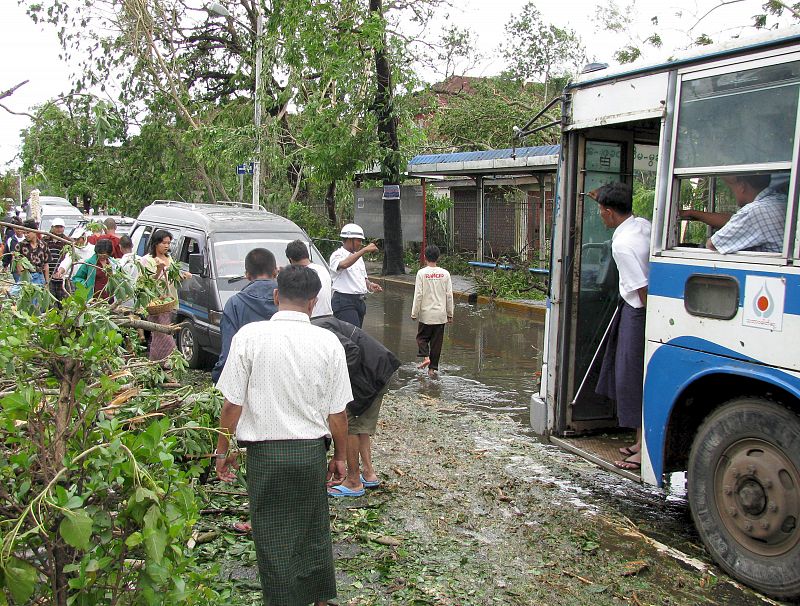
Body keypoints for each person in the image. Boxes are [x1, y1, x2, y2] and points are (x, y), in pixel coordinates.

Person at [214, 265, 351, 606]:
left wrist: (223, 450)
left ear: (276, 296)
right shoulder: (328, 341)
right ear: (313, 302)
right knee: (312, 529)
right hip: (309, 454)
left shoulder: (249, 337)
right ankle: (319, 598)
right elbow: (338, 414)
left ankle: (281, 599)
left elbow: (233, 404)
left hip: (265, 457)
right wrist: (340, 457)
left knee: (271, 534)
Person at [591, 182, 651, 472]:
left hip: (638, 313)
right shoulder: (642, 225)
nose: (600, 217)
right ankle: (640, 442)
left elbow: (641, 289)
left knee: (631, 378)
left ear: (609, 212)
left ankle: (644, 452)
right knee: (633, 377)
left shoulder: (621, 244)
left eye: (601, 211)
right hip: (636, 311)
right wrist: (600, 196)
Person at [313, 313, 400, 498]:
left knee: (349, 424)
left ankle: (353, 481)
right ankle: (368, 474)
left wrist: (336, 384)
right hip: (380, 367)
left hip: (371, 372)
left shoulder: (317, 330)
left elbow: (352, 351)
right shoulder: (318, 323)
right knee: (361, 427)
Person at [211, 248, 278, 384]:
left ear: (247, 275)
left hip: (249, 382)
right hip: (284, 382)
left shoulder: (235, 304)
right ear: (275, 271)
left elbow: (228, 354)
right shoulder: (291, 300)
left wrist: (218, 379)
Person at [679, 174, 787, 254]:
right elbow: (735, 221)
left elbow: (713, 244)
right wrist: (692, 213)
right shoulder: (780, 200)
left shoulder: (754, 211)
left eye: (730, 188)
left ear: (742, 186)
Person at [141, 229, 189, 361]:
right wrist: (158, 269)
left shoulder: (169, 259)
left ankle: (157, 361)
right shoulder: (147, 260)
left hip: (170, 301)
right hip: (156, 303)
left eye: (168, 243)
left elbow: (173, 278)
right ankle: (169, 360)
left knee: (162, 333)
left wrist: (183, 276)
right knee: (162, 333)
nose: (167, 246)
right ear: (156, 243)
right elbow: (147, 283)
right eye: (164, 243)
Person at [411, 244, 454, 378]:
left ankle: (425, 357)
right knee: (437, 343)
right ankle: (432, 370)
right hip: (440, 315)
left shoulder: (421, 273)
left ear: (425, 257)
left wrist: (414, 313)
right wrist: (450, 313)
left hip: (426, 314)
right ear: (438, 257)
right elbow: (449, 295)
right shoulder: (445, 274)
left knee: (421, 338)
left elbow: (418, 295)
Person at [328, 223, 382, 328]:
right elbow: (344, 264)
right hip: (344, 301)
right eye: (358, 240)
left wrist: (370, 285)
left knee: (357, 335)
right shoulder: (337, 255)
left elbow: (363, 278)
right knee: (352, 335)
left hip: (359, 301)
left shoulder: (358, 258)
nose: (360, 243)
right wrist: (364, 250)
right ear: (349, 239)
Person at [286, 239, 332, 318]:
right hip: (329, 316)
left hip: (311, 319)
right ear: (307, 255)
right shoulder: (323, 269)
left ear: (291, 260)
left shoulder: (300, 274)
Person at [16, 219, 49, 288]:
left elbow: (46, 264)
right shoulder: (20, 245)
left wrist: (47, 281)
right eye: (24, 233)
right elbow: (18, 265)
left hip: (39, 277)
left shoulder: (43, 245)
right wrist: (24, 279)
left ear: (35, 231)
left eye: (28, 233)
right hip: (26, 277)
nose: (25, 235)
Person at [44, 218, 69, 302]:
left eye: (61, 227)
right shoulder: (45, 241)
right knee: (51, 301)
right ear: (52, 227)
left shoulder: (67, 242)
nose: (59, 229)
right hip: (48, 276)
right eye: (57, 227)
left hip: (62, 277)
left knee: (63, 301)